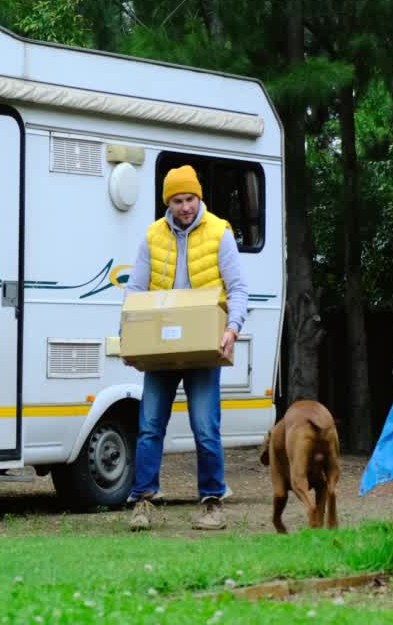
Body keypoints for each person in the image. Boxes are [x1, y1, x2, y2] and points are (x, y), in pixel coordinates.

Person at [123, 165, 248, 531]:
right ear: (168, 203)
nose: (185, 207)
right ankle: (143, 501)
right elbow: (136, 291)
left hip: (204, 344)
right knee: (149, 426)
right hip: (162, 346)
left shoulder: (219, 232)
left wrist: (233, 328)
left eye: (190, 199)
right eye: (177, 200)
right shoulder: (152, 236)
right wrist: (130, 337)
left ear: (199, 198)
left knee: (205, 427)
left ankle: (212, 503)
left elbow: (238, 288)